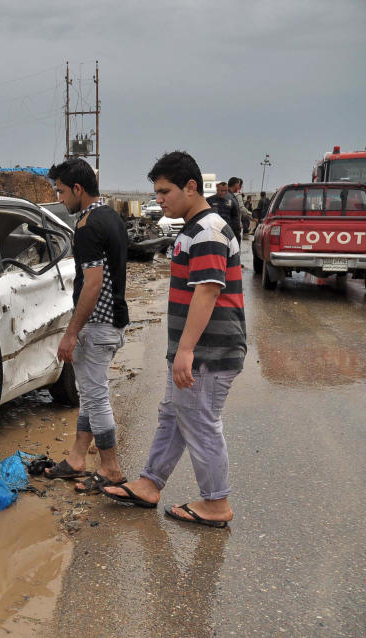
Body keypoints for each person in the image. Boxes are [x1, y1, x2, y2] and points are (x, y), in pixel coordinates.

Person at [103, 150, 246, 528]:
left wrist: (186, 350)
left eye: (165, 191)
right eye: (156, 192)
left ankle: (216, 504)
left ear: (191, 187)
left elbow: (209, 291)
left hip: (207, 352)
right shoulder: (192, 228)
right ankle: (150, 483)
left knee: (199, 420)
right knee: (174, 414)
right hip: (193, 350)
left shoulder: (208, 231)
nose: (159, 199)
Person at [44, 158, 130, 494]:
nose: (61, 199)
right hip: (111, 321)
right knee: (88, 394)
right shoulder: (110, 216)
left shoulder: (87, 225)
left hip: (98, 324)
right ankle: (78, 458)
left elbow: (92, 284)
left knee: (95, 396)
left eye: (62, 191)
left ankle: (110, 468)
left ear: (78, 189)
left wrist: (71, 331)